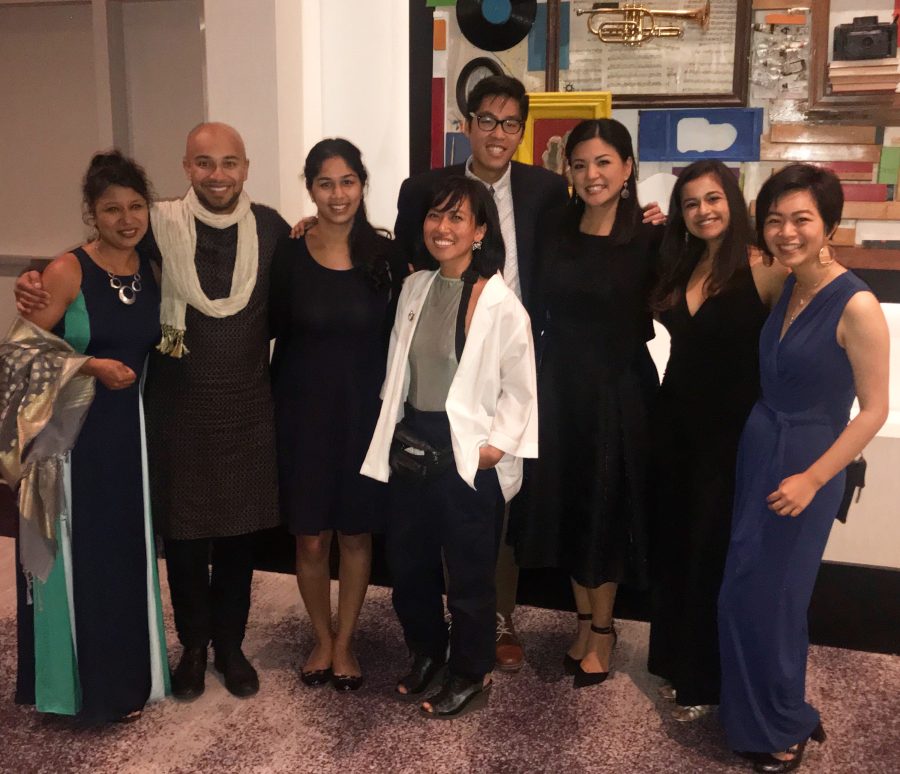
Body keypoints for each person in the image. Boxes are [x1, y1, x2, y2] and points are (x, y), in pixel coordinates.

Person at [392, 74, 662, 672]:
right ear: (466, 125)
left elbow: (606, 249)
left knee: (502, 494)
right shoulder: (425, 189)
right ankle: (440, 621)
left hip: (528, 365)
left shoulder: (544, 191)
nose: (498, 133)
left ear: (522, 132)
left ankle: (497, 614)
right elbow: (402, 261)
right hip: (448, 361)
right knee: (439, 496)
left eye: (510, 123)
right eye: (486, 120)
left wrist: (649, 217)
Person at [15, 123, 290, 701]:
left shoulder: (271, 228)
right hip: (175, 412)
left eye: (229, 162)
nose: (217, 174)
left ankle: (230, 647)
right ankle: (193, 648)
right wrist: (37, 277)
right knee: (184, 540)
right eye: (204, 162)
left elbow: (299, 288)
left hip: (246, 409)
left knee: (238, 541)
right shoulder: (159, 226)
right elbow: (98, 263)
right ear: (186, 168)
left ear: (246, 167)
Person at [717, 164, 888, 772]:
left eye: (801, 219)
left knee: (776, 598)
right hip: (763, 445)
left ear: (829, 226)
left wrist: (814, 479)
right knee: (745, 592)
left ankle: (780, 723)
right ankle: (768, 710)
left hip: (808, 463)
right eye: (775, 220)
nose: (786, 232)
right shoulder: (791, 283)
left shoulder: (857, 303)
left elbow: (873, 410)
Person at [361, 176, 538, 717]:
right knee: (408, 566)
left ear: (479, 231)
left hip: (468, 452)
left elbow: (521, 388)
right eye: (435, 216)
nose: (443, 227)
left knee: (468, 575)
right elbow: (399, 369)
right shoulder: (415, 288)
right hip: (413, 441)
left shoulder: (500, 303)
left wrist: (493, 449)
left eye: (457, 217)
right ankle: (426, 653)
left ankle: (469, 670)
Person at [8, 151, 168, 722]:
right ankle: (80, 688)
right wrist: (89, 366)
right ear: (91, 214)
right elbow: (19, 354)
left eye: (136, 206)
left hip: (130, 435)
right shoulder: (67, 270)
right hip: (72, 438)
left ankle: (127, 679)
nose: (127, 219)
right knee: (85, 555)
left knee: (124, 552)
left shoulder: (152, 267)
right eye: (111, 209)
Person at [511, 118, 661, 688]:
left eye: (603, 162)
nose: (591, 174)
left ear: (627, 168)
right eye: (580, 164)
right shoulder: (555, 226)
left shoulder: (650, 236)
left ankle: (604, 630)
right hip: (559, 386)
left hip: (618, 391)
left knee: (606, 510)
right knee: (570, 507)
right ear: (567, 171)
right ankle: (581, 622)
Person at [646, 160, 787, 721]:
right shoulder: (684, 262)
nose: (703, 211)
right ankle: (676, 663)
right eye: (690, 203)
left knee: (714, 554)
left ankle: (707, 681)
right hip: (674, 423)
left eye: (712, 199)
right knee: (677, 547)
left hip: (733, 433)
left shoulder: (766, 268)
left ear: (733, 200)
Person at [269, 139, 405, 691]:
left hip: (364, 417)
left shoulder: (387, 255)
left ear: (362, 185)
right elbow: (271, 328)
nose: (337, 194)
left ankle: (345, 641)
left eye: (347, 181)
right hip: (301, 415)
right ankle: (320, 637)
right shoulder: (288, 254)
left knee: (354, 534)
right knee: (309, 538)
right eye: (325, 183)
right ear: (310, 189)